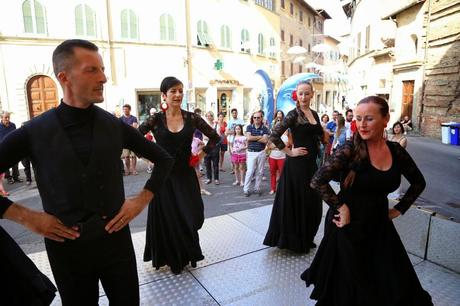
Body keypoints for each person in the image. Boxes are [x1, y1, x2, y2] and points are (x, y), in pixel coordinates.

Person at [0, 39, 174, 305]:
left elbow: (163, 159)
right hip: (66, 250)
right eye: (92, 70)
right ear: (64, 77)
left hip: (116, 243)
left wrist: (140, 201)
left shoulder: (113, 126)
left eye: (102, 69)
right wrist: (26, 217)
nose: (103, 77)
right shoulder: (34, 132)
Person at [301, 96, 432, 306]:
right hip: (347, 226)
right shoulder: (348, 149)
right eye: (359, 118)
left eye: (369, 118)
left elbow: (418, 182)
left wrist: (399, 209)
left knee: (394, 284)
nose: (361, 124)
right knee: (349, 289)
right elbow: (317, 181)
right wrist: (341, 207)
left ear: (386, 119)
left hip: (379, 225)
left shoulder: (396, 151)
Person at [139, 76, 220, 274]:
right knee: (169, 218)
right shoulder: (155, 119)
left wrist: (199, 155)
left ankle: (186, 253)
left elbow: (216, 137)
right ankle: (174, 258)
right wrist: (149, 158)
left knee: (190, 216)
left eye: (180, 91)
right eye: (173, 91)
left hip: (185, 175)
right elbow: (134, 138)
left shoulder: (192, 118)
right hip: (163, 178)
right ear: (164, 95)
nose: (177, 95)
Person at [263, 80, 324, 253]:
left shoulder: (314, 114)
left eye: (307, 93)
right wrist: (289, 152)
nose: (304, 97)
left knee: (312, 202)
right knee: (299, 201)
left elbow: (317, 135)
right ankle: (295, 241)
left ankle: (306, 236)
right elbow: (274, 136)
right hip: (296, 166)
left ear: (312, 94)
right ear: (297, 95)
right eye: (301, 93)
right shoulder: (293, 114)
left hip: (311, 165)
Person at [243, 110, 269, 197]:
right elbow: (248, 138)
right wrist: (259, 137)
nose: (256, 119)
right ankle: (246, 189)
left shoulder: (265, 128)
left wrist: (253, 137)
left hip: (261, 152)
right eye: (255, 117)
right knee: (250, 171)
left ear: (261, 118)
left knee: (260, 171)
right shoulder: (249, 127)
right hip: (251, 152)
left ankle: (256, 188)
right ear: (253, 118)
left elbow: (265, 140)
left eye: (258, 117)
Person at [0, 111, 23, 184]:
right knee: (6, 164)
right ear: (1, 118)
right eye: (5, 117)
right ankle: (9, 178)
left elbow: (15, 135)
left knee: (15, 163)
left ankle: (16, 177)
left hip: (13, 147)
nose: (7, 119)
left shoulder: (13, 125)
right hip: (3, 148)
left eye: (8, 117)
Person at [388, 121, 408, 200]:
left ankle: (396, 195)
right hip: (389, 159)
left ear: (401, 128)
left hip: (398, 161)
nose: (396, 129)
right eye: (395, 127)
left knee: (396, 177)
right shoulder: (391, 137)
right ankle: (388, 193)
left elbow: (399, 149)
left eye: (398, 127)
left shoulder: (403, 139)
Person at [266, 128, 288, 195]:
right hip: (272, 157)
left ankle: (282, 189)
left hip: (282, 158)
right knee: (272, 174)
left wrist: (274, 146)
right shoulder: (272, 136)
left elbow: (286, 145)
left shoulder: (285, 136)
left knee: (282, 175)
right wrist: (280, 145)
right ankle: (273, 188)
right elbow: (269, 146)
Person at [120, 104, 139, 175]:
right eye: (124, 109)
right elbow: (120, 129)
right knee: (126, 156)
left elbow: (134, 127)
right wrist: (130, 126)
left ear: (129, 110)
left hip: (133, 139)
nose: (125, 110)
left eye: (126, 109)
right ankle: (128, 169)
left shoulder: (134, 118)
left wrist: (125, 127)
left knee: (133, 156)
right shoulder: (120, 119)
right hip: (124, 140)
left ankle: (134, 169)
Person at [226, 108, 245, 174]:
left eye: (235, 113)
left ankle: (241, 168)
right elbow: (227, 131)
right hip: (231, 140)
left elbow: (242, 130)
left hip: (239, 139)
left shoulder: (240, 121)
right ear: (231, 114)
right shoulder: (230, 121)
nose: (234, 114)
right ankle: (234, 168)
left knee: (241, 153)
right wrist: (233, 132)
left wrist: (233, 132)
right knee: (232, 154)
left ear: (237, 113)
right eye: (233, 113)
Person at [203, 111, 220, 184]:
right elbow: (204, 136)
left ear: (213, 117)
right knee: (207, 163)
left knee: (215, 164)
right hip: (206, 146)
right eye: (207, 115)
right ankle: (209, 178)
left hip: (215, 147)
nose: (209, 117)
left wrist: (210, 137)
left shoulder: (216, 125)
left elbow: (218, 136)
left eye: (210, 115)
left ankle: (216, 179)